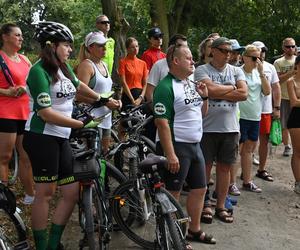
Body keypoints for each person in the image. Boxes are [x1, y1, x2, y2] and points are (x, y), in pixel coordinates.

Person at [22, 21, 108, 250]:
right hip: (42, 137)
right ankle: (42, 246)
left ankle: (53, 243)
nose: (70, 50)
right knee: (46, 194)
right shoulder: (38, 71)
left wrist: (102, 99)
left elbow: (79, 86)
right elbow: (46, 113)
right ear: (52, 45)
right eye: (66, 45)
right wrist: (78, 123)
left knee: (70, 192)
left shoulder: (63, 67)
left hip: (61, 137)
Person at [153, 44, 216, 246]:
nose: (193, 61)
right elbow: (162, 124)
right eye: (188, 58)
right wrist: (170, 155)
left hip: (194, 145)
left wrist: (204, 96)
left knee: (200, 189)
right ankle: (173, 236)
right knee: (173, 194)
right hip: (177, 146)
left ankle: (193, 230)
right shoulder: (165, 87)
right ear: (176, 61)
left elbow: (201, 113)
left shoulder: (190, 82)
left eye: (192, 58)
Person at [194, 37, 247, 223]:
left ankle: (221, 206)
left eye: (230, 51)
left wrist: (218, 90)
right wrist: (231, 88)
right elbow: (208, 90)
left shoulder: (236, 70)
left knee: (225, 169)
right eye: (224, 50)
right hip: (207, 128)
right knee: (205, 168)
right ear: (213, 51)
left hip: (230, 128)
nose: (228, 54)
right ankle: (205, 204)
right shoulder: (201, 70)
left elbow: (244, 94)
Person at [0, 23, 35, 204]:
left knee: (26, 155)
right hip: (5, 113)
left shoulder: (24, 59)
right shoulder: (0, 57)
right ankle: (5, 199)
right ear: (5, 37)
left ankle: (30, 195)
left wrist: (24, 87)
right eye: (17, 35)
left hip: (25, 112)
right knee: (4, 157)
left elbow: (32, 82)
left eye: (21, 35)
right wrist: (6, 92)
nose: (21, 38)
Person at [76, 31, 121, 153]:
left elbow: (104, 91)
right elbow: (78, 95)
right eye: (100, 45)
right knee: (93, 158)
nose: (104, 48)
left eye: (105, 44)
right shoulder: (86, 65)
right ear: (90, 47)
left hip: (106, 119)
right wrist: (104, 103)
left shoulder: (105, 65)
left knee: (104, 155)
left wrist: (114, 101)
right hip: (92, 120)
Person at [144, 34, 188, 142]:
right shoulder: (159, 65)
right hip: (165, 121)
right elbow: (149, 92)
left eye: (186, 46)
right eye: (181, 46)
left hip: (185, 125)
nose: (185, 49)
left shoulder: (190, 67)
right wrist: (159, 113)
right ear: (172, 47)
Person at [239, 45, 271, 193]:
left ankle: (247, 181)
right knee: (237, 150)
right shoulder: (238, 72)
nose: (257, 61)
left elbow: (267, 91)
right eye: (254, 58)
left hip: (254, 117)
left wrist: (261, 73)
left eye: (259, 58)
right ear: (244, 57)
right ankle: (231, 183)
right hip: (240, 116)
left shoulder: (259, 74)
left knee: (249, 150)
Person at [252, 41, 281, 182]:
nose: (261, 53)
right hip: (248, 111)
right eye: (258, 50)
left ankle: (261, 169)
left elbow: (276, 88)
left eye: (263, 50)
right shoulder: (244, 68)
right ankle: (242, 172)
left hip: (265, 110)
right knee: (246, 143)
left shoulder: (270, 67)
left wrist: (277, 107)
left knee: (263, 141)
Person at [273, 38, 297, 156]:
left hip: (297, 97)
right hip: (284, 97)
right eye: (288, 47)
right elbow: (277, 80)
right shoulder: (278, 62)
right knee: (285, 123)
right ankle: (287, 146)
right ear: (283, 48)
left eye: (293, 46)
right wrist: (292, 72)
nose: (291, 49)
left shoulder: (298, 60)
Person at [286, 55, 300, 194]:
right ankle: (298, 182)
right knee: (298, 150)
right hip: (297, 118)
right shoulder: (291, 81)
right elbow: (294, 102)